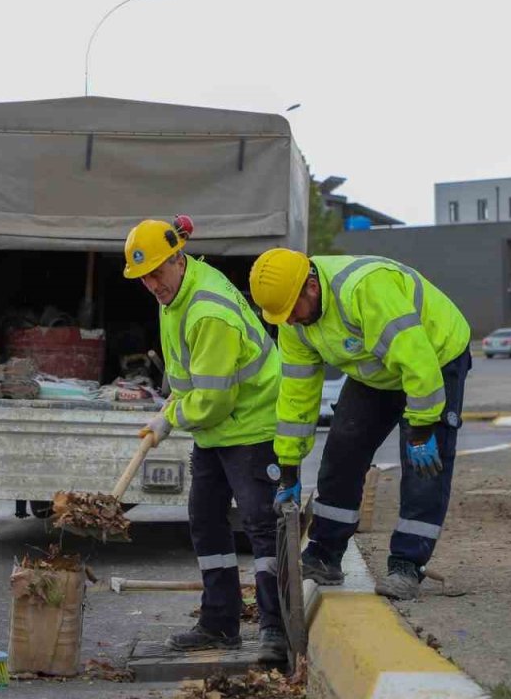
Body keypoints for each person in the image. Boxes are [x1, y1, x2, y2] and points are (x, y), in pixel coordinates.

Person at [248, 249, 471, 600]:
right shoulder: (292, 322)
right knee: (343, 448)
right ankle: (325, 553)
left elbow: (417, 360)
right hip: (376, 368)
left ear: (310, 286)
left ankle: (407, 566)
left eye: (291, 310)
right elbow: (296, 397)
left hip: (435, 354)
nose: (288, 320)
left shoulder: (364, 290)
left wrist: (423, 429)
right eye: (281, 316)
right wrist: (288, 468)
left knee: (423, 464)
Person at [125, 216, 288, 663]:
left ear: (178, 258)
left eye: (158, 272)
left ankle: (276, 630)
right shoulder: (174, 294)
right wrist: (169, 410)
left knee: (260, 524)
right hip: (218, 429)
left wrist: (170, 418)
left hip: (252, 425)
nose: (153, 284)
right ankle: (219, 625)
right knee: (205, 518)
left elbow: (213, 400)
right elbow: (190, 374)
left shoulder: (208, 310)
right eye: (144, 278)